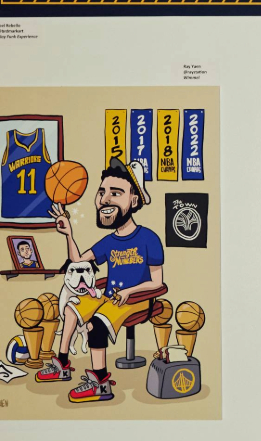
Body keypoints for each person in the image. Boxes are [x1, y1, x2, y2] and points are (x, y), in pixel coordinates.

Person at [41, 160, 167, 402]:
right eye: (102, 192)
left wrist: (130, 291)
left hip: (138, 300)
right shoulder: (108, 241)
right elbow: (77, 260)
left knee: (95, 325)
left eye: (115, 193)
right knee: (70, 309)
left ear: (134, 200)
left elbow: (157, 283)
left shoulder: (149, 238)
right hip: (108, 297)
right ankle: (63, 365)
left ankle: (100, 383)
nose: (105, 199)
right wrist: (69, 233)